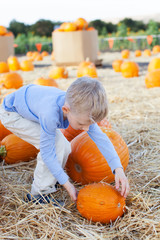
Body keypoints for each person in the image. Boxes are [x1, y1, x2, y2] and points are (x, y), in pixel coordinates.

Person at [0, 77, 130, 205]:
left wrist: (118, 169)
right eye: (81, 124)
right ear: (66, 110)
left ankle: (50, 178)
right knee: (56, 146)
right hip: (13, 114)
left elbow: (101, 139)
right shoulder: (50, 114)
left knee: (65, 146)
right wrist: (67, 184)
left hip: (29, 105)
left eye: (89, 124)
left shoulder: (80, 108)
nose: (86, 129)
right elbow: (47, 154)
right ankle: (38, 194)